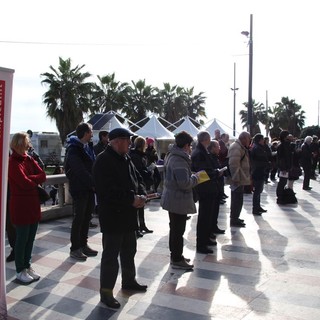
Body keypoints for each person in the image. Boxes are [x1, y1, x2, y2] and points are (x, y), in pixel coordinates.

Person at [93, 128, 148, 309]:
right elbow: (106, 191)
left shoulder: (126, 158)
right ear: (116, 141)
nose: (130, 143)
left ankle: (129, 281)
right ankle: (106, 293)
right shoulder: (103, 160)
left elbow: (137, 178)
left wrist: (141, 193)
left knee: (129, 251)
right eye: (126, 140)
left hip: (128, 215)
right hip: (113, 216)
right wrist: (132, 198)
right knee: (110, 256)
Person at [8, 132, 46, 283]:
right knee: (21, 240)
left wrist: (31, 179)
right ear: (18, 144)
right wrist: (33, 180)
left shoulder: (28, 159)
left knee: (30, 239)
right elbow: (23, 183)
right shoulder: (13, 162)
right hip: (20, 205)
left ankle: (27, 266)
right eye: (25, 143)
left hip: (32, 204)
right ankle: (19, 270)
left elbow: (42, 175)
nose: (27, 146)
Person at [161, 131, 199, 270]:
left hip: (173, 199)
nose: (190, 149)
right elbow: (184, 183)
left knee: (175, 229)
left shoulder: (173, 155)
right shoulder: (179, 159)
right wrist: (197, 178)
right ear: (186, 145)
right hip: (177, 200)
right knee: (178, 230)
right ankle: (177, 258)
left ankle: (176, 256)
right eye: (190, 146)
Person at [64, 122, 98, 261]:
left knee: (86, 218)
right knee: (79, 219)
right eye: (90, 132)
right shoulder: (74, 149)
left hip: (88, 188)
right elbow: (79, 171)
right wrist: (93, 183)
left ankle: (83, 244)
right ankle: (75, 248)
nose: (92, 134)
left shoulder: (86, 147)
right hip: (80, 189)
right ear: (85, 133)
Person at [191, 131, 221, 254]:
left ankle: (206, 239)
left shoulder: (203, 151)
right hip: (205, 189)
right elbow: (201, 173)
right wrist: (215, 173)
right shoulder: (199, 153)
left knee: (208, 217)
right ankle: (201, 244)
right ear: (206, 139)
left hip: (209, 188)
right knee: (204, 217)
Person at [129, 136, 154, 236]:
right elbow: (138, 171)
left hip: (141, 184)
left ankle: (142, 225)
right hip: (137, 184)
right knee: (137, 207)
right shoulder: (135, 156)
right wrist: (148, 172)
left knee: (141, 207)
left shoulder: (140, 155)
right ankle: (136, 228)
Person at [227, 131, 251, 227]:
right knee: (236, 200)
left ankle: (235, 217)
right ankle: (234, 219)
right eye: (249, 138)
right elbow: (233, 164)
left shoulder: (240, 147)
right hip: (238, 179)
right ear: (244, 138)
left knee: (238, 199)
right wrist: (236, 178)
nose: (249, 141)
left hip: (241, 178)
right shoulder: (236, 147)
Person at [207, 140, 225, 232]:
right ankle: (211, 229)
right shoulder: (209, 158)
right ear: (213, 148)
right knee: (211, 211)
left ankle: (214, 226)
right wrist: (217, 172)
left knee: (215, 210)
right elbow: (209, 172)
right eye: (217, 146)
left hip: (217, 186)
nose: (219, 148)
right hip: (212, 186)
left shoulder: (215, 157)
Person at [250, 134, 269, 215]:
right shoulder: (257, 148)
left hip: (259, 171)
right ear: (259, 140)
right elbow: (259, 160)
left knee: (259, 190)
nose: (263, 141)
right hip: (258, 171)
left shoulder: (258, 147)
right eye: (262, 139)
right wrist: (266, 164)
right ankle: (255, 208)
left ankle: (257, 206)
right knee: (257, 191)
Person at [276, 130, 293, 204]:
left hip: (286, 167)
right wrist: (283, 168)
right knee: (282, 182)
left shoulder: (286, 144)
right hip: (284, 168)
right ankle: (279, 197)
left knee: (284, 182)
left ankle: (281, 196)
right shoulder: (282, 146)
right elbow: (281, 158)